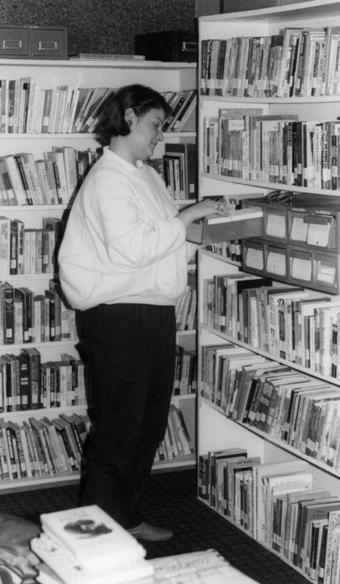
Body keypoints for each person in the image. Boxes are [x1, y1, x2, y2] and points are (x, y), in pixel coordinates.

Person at [58, 84, 228, 541]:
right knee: (119, 427)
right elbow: (136, 249)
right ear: (129, 118)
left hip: (151, 311)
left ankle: (125, 518)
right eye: (155, 125)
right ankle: (92, 535)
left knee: (148, 424)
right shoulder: (108, 178)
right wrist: (189, 217)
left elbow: (165, 238)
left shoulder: (144, 175)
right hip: (118, 314)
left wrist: (216, 226)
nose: (160, 136)